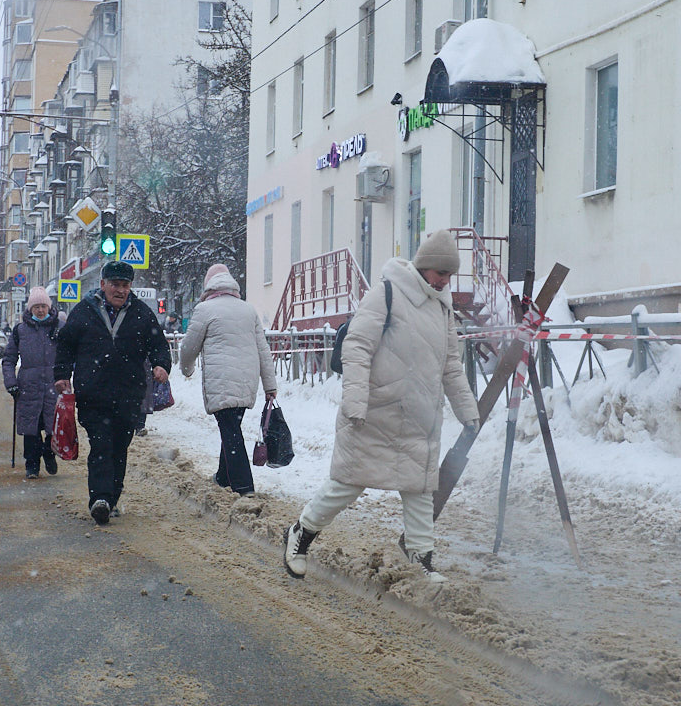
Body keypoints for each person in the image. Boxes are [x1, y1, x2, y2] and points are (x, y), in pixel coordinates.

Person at [282, 230, 480, 583]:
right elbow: (357, 346)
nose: (445, 282)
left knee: (419, 490)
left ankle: (421, 561)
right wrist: (355, 401)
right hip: (374, 413)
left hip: (419, 419)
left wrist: (468, 412)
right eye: (441, 273)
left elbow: (451, 365)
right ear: (425, 266)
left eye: (450, 275)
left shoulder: (442, 307)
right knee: (347, 485)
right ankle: (301, 533)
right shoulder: (387, 293)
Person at [54, 260, 172, 525]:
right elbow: (65, 346)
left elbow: (158, 344)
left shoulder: (141, 313)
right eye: (115, 284)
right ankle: (100, 499)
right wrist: (61, 374)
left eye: (125, 285)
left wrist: (161, 365)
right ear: (103, 284)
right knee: (101, 445)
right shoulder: (84, 311)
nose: (120, 290)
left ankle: (112, 498)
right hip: (92, 394)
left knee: (119, 446)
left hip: (129, 394)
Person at [178, 263, 276, 497]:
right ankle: (223, 477)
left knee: (230, 431)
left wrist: (186, 369)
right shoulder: (248, 310)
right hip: (247, 381)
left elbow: (189, 347)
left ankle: (244, 487)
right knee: (231, 427)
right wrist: (270, 385)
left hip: (221, 380)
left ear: (208, 285)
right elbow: (263, 350)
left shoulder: (204, 310)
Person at [2, 287, 60, 480]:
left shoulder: (59, 328)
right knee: (31, 430)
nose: (40, 310)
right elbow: (9, 359)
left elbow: (69, 355)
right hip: (28, 388)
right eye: (36, 307)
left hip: (53, 386)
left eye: (43, 306)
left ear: (49, 307)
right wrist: (11, 382)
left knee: (53, 427)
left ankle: (49, 454)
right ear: (30, 309)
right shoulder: (20, 330)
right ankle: (32, 465)